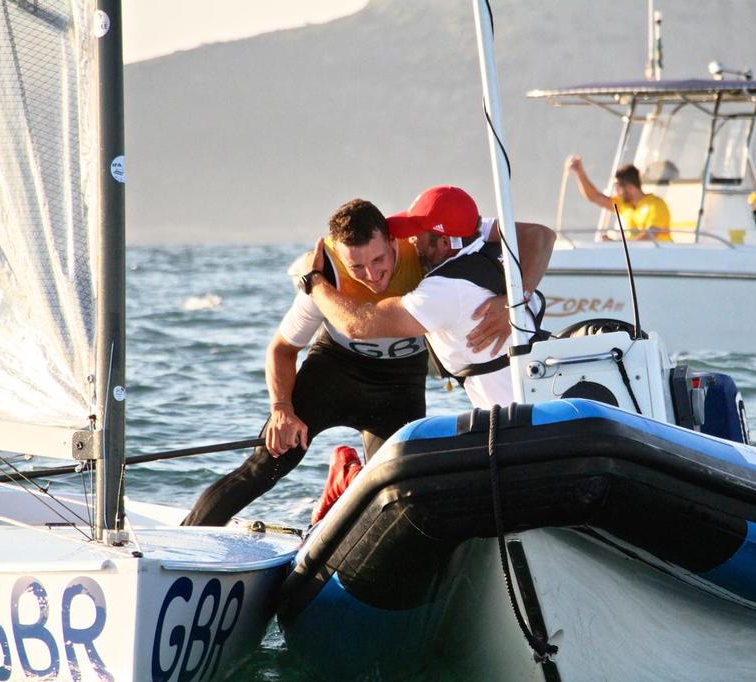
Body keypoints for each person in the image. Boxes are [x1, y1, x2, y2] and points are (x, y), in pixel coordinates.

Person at [182, 196, 554, 527]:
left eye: (379, 260)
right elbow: (282, 348)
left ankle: (347, 480)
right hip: (335, 372)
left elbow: (538, 236)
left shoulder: (429, 246)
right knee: (265, 467)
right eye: (357, 267)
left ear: (395, 240)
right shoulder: (326, 280)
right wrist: (281, 409)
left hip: (399, 384)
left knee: (398, 494)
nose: (372, 275)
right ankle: (185, 541)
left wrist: (513, 300)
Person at [307, 186, 554, 522]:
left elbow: (360, 325)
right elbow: (541, 234)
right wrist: (519, 296)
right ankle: (349, 478)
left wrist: (317, 284)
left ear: (444, 242)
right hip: (526, 408)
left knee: (417, 490)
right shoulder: (498, 257)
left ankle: (348, 477)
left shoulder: (443, 290)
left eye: (419, 236)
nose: (411, 243)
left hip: (521, 422)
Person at [566, 156, 671, 241]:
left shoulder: (656, 205)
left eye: (618, 188)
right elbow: (594, 196)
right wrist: (580, 173)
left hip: (659, 260)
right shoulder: (622, 204)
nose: (616, 192)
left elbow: (650, 236)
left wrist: (617, 245)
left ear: (630, 187)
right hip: (635, 258)